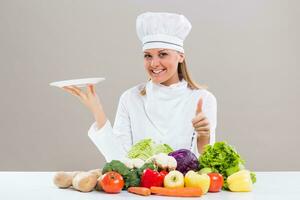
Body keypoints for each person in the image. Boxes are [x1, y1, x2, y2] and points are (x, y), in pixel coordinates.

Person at [63, 12, 217, 162]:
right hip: (139, 187)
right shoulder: (130, 98)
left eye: (162, 54)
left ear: (180, 56)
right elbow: (119, 160)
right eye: (148, 55)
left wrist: (203, 136)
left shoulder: (203, 99)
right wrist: (97, 110)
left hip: (182, 187)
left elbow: (202, 168)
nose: (154, 63)